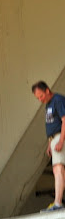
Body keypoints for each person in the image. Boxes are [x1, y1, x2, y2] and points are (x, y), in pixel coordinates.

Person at [32, 81, 65, 212]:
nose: (40, 99)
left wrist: (61, 141)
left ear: (47, 90)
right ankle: (58, 201)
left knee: (58, 168)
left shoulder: (57, 100)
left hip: (60, 137)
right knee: (58, 170)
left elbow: (64, 120)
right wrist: (49, 144)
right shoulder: (48, 104)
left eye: (41, 96)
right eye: (38, 98)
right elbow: (52, 124)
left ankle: (58, 202)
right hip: (54, 139)